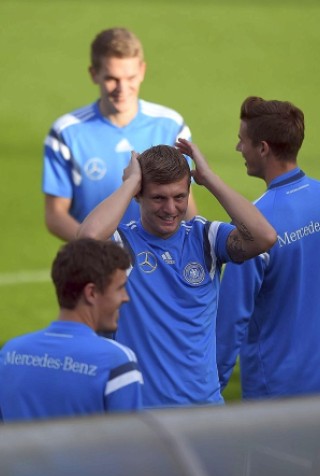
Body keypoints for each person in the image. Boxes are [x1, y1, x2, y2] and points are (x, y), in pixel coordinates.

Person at [77, 139, 276, 408]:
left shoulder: (205, 239)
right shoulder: (123, 245)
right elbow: (87, 238)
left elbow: (264, 237)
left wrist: (210, 178)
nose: (171, 209)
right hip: (142, 417)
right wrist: (128, 183)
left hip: (204, 411)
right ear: (139, 195)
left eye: (179, 197)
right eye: (159, 198)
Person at [42, 27, 197, 241]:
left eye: (130, 77)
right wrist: (103, 252)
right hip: (96, 265)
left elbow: (185, 200)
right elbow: (55, 215)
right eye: (112, 79)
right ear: (94, 74)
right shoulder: (66, 133)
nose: (122, 88)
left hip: (158, 265)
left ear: (142, 71)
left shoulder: (171, 126)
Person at [216, 96, 320, 400]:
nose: (238, 148)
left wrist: (212, 389)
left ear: (263, 148)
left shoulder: (255, 227)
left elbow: (231, 319)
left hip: (276, 390)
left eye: (242, 140)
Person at [0, 238, 143, 422]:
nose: (125, 298)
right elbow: (130, 446)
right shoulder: (116, 362)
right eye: (120, 288)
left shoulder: (9, 354)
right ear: (91, 293)